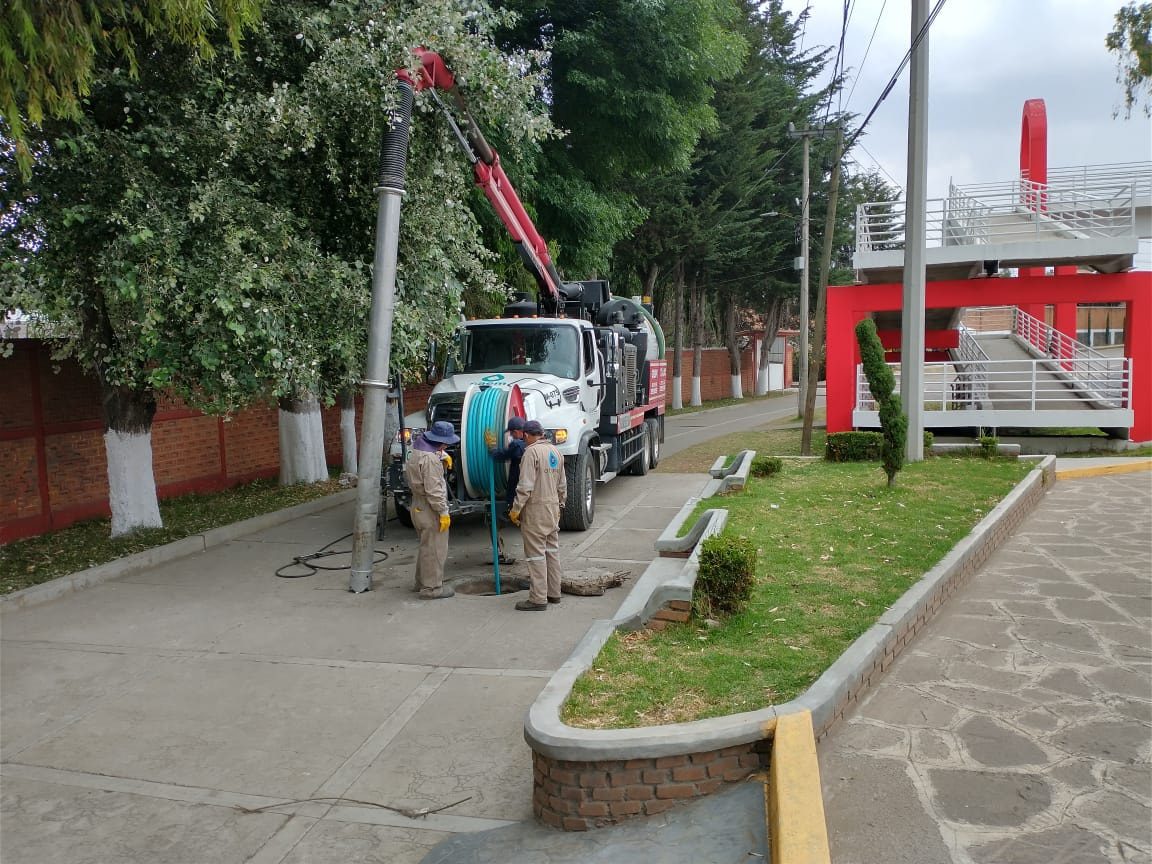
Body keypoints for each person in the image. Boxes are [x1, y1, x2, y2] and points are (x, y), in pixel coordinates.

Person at [509, 420, 567, 611]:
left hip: (535, 510)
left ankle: (538, 599)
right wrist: (560, 504)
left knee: (535, 556)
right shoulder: (556, 452)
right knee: (552, 552)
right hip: (553, 509)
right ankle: (554, 593)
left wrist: (516, 509)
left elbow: (525, 486)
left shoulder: (531, 453)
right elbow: (562, 485)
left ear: (526, 435)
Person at [404, 420, 459, 599]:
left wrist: (441, 455)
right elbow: (434, 491)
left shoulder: (417, 450)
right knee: (435, 548)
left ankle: (421, 583)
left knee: (426, 547)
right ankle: (432, 589)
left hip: (417, 505)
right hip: (430, 509)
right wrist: (443, 512)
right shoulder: (430, 460)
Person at [485, 416, 527, 566]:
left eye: (511, 433)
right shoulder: (532, 444)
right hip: (529, 489)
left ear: (516, 432)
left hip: (517, 488)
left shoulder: (517, 444)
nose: (510, 436)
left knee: (506, 516)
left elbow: (502, 456)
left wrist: (492, 449)